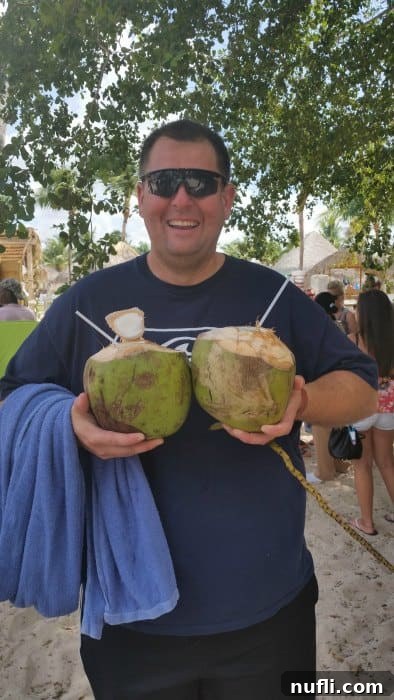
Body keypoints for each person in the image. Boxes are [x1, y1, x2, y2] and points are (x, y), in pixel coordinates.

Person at [0, 120, 378, 699]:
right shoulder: (85, 304)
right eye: (166, 180)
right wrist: (69, 425)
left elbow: (359, 387)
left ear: (226, 198)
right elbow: (13, 398)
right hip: (131, 618)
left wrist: (301, 399)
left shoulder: (273, 296)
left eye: (201, 182)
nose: (182, 197)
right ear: (141, 195)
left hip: (267, 610)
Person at [348, 290, 394, 536]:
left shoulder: (352, 340)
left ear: (363, 314)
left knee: (362, 466)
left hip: (361, 409)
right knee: (387, 462)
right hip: (389, 407)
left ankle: (367, 522)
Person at [311, 292, 350, 480]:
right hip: (341, 380)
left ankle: (325, 471)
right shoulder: (339, 326)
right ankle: (340, 464)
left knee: (321, 428)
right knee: (338, 425)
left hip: (323, 382)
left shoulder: (315, 328)